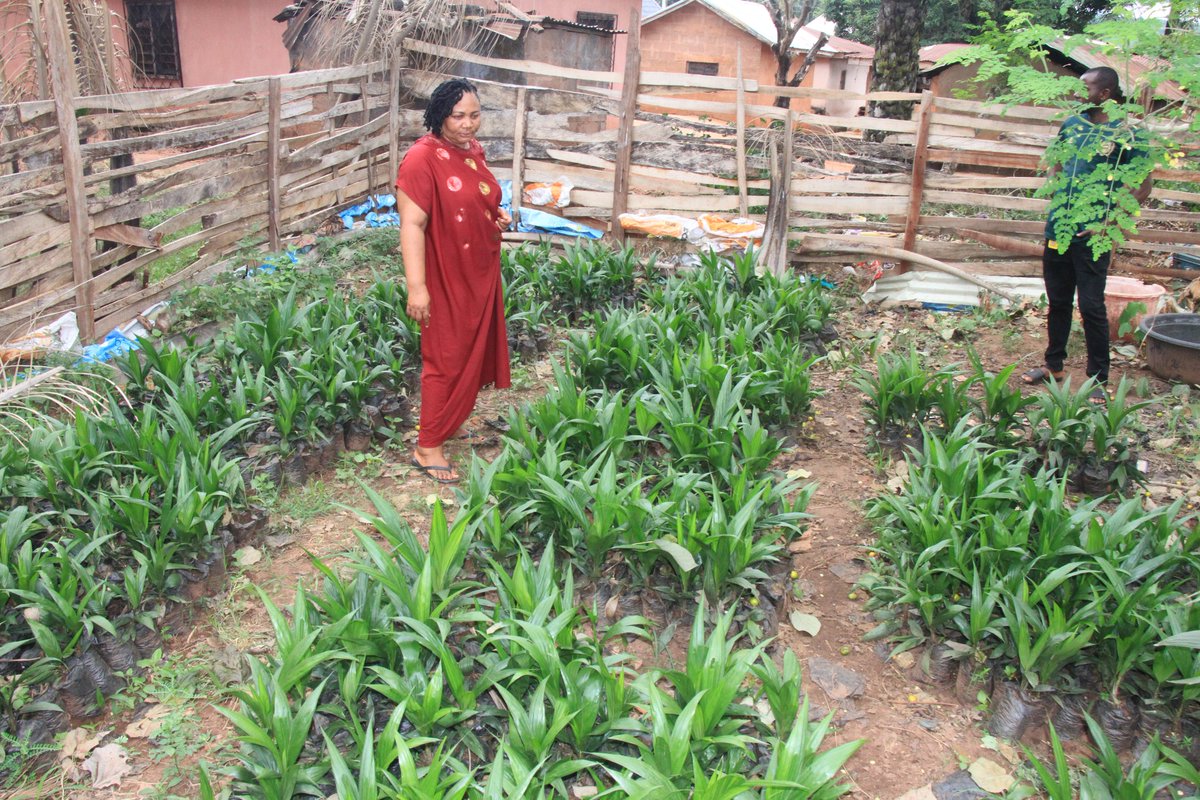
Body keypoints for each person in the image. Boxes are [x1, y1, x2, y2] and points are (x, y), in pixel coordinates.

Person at [396, 79, 512, 484]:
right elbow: (412, 224)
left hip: (478, 269)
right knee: (444, 357)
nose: (468, 124)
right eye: (458, 116)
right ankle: (428, 446)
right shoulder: (420, 159)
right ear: (439, 116)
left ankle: (450, 420)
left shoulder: (471, 151)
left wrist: (494, 215)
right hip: (445, 273)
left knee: (470, 352)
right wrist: (417, 287)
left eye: (474, 115)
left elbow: (478, 196)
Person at [1022, 67, 1153, 402]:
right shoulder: (1072, 125)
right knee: (1058, 301)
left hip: (1093, 234)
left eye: (1085, 87)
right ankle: (1054, 365)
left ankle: (1097, 378)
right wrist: (1058, 190)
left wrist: (1108, 222)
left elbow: (1143, 185)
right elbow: (1056, 163)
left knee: (1092, 305)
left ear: (1105, 94)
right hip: (1059, 229)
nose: (1078, 92)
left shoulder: (1128, 134)